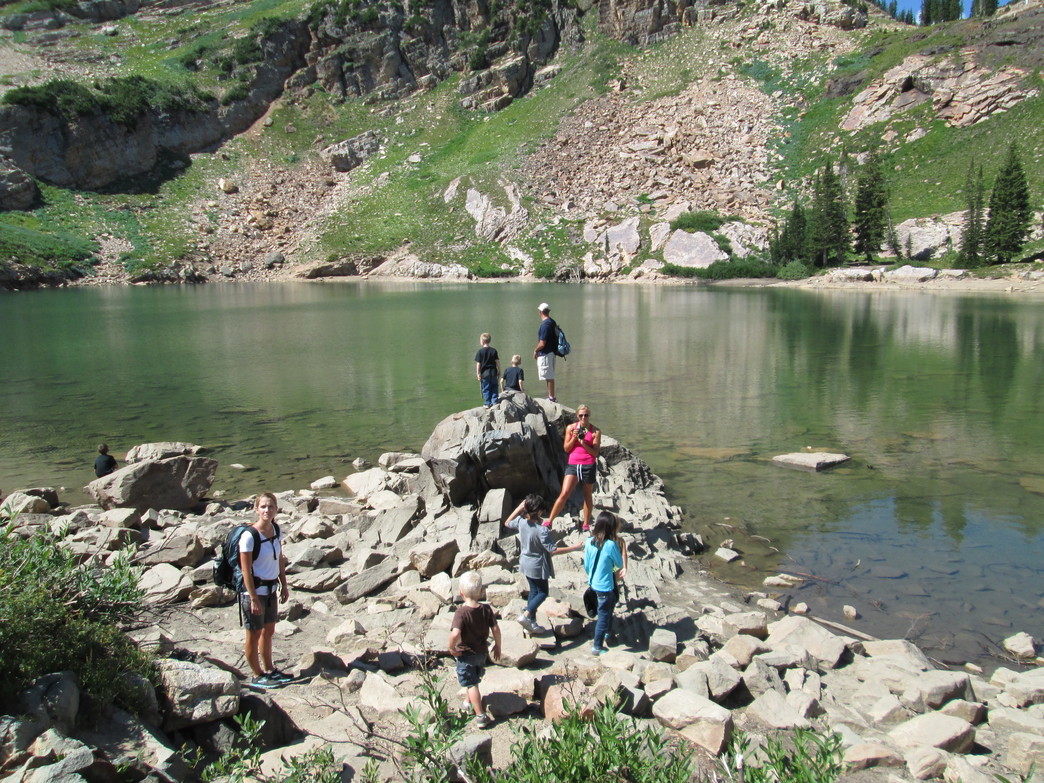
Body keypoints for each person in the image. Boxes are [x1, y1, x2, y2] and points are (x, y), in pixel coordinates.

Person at [504, 494, 583, 634]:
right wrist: (574, 547)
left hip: (525, 562)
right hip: (538, 565)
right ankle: (527, 615)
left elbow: (507, 522)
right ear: (539, 510)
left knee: (534, 591)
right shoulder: (542, 530)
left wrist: (519, 508)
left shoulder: (521, 522)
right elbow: (552, 550)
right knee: (542, 592)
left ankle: (531, 623)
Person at [240, 492, 291, 687]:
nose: (267, 510)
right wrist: (252, 597)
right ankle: (256, 674)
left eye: (270, 506)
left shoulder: (276, 530)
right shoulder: (249, 536)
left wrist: (283, 584)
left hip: (271, 589)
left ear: (276, 509)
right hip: (254, 592)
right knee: (253, 632)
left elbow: (279, 559)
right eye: (263, 507)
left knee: (268, 630)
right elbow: (245, 570)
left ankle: (269, 669)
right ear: (256, 509)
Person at [449, 570, 502, 729]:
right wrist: (498, 646)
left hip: (465, 654)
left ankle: (480, 715)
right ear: (481, 592)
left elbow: (455, 633)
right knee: (473, 678)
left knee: (472, 684)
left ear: (461, 593)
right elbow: (496, 629)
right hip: (481, 653)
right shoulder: (486, 610)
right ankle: (468, 702)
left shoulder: (461, 613)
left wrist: (451, 648)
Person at [546, 405, 601, 531]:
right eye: (581, 415)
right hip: (573, 464)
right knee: (565, 493)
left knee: (587, 494)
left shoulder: (595, 432)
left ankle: (586, 523)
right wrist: (574, 438)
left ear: (589, 416)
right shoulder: (571, 428)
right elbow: (566, 448)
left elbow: (595, 453)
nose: (583, 417)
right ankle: (549, 521)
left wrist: (583, 443)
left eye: (586, 415)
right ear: (577, 416)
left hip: (588, 464)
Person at [584, 510, 624, 656]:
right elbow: (619, 563)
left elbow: (587, 565)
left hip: (593, 582)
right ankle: (597, 646)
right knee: (603, 615)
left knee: (609, 605)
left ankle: (607, 631)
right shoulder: (611, 545)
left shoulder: (589, 542)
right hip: (605, 585)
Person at [533, 302, 558, 402]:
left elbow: (542, 343)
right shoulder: (552, 322)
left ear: (540, 312)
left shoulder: (545, 325)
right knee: (549, 375)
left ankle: (551, 397)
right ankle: (550, 396)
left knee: (549, 376)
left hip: (546, 353)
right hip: (552, 352)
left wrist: (535, 350)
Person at [475, 332, 501, 408]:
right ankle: (495, 401)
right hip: (493, 372)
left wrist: (478, 373)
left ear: (482, 342)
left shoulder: (480, 352)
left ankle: (487, 403)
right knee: (494, 386)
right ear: (489, 341)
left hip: (484, 373)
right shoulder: (494, 351)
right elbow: (497, 362)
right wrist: (499, 370)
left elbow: (478, 364)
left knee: (486, 388)